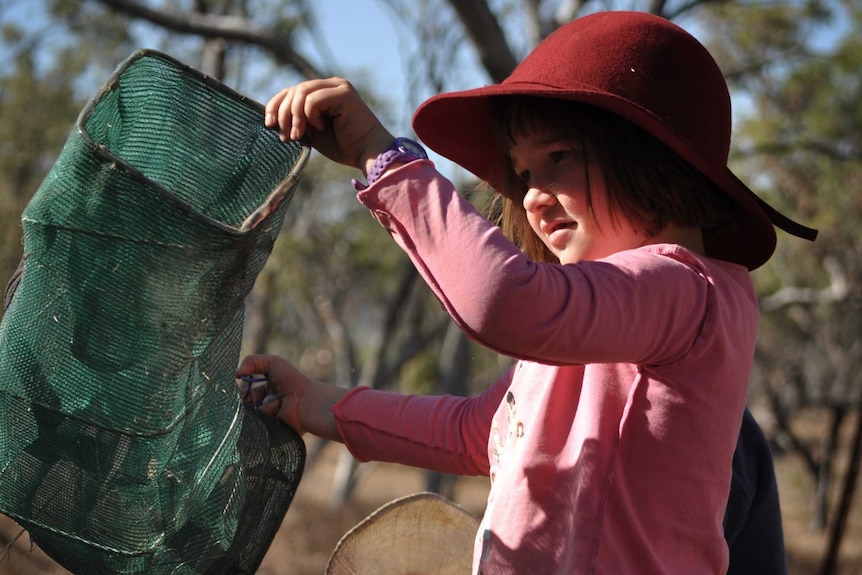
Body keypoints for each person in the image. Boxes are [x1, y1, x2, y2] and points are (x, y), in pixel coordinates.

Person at [238, 11, 816, 574]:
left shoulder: (690, 292)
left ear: (652, 155)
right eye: (524, 175)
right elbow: (476, 432)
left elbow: (501, 301)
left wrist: (378, 151)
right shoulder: (592, 323)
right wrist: (317, 404)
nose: (533, 196)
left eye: (557, 159)